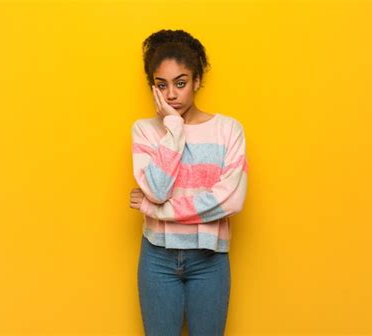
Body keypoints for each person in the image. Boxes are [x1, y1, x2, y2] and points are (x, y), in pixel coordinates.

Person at [129, 29, 248, 336]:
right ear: (153, 88)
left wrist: (156, 210)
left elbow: (230, 201)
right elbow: (156, 190)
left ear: (196, 81)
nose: (171, 95)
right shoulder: (145, 131)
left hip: (209, 259)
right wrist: (173, 128)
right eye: (162, 85)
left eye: (180, 83)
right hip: (157, 257)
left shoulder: (228, 130)